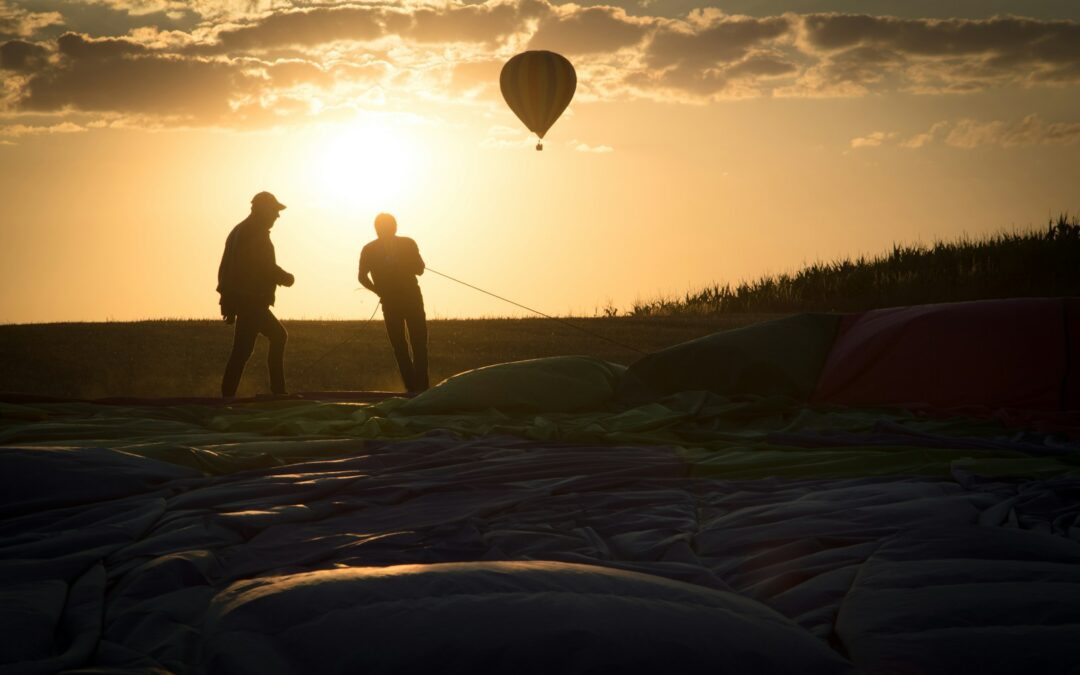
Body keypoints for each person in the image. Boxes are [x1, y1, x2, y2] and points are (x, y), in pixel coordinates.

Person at [217, 191, 295, 398]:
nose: (277, 216)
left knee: (242, 350)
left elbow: (226, 269)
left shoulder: (240, 231)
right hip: (251, 300)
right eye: (274, 211)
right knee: (277, 337)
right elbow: (263, 267)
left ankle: (227, 396)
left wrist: (226, 300)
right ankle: (278, 392)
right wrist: (286, 277)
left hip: (245, 299)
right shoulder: (254, 233)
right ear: (263, 210)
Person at [358, 213, 429, 393]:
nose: (389, 230)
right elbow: (361, 277)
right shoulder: (369, 249)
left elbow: (420, 269)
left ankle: (422, 386)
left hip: (411, 298)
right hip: (391, 301)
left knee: (418, 342)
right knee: (400, 345)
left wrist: (404, 263)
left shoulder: (407, 243)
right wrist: (378, 291)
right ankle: (412, 387)